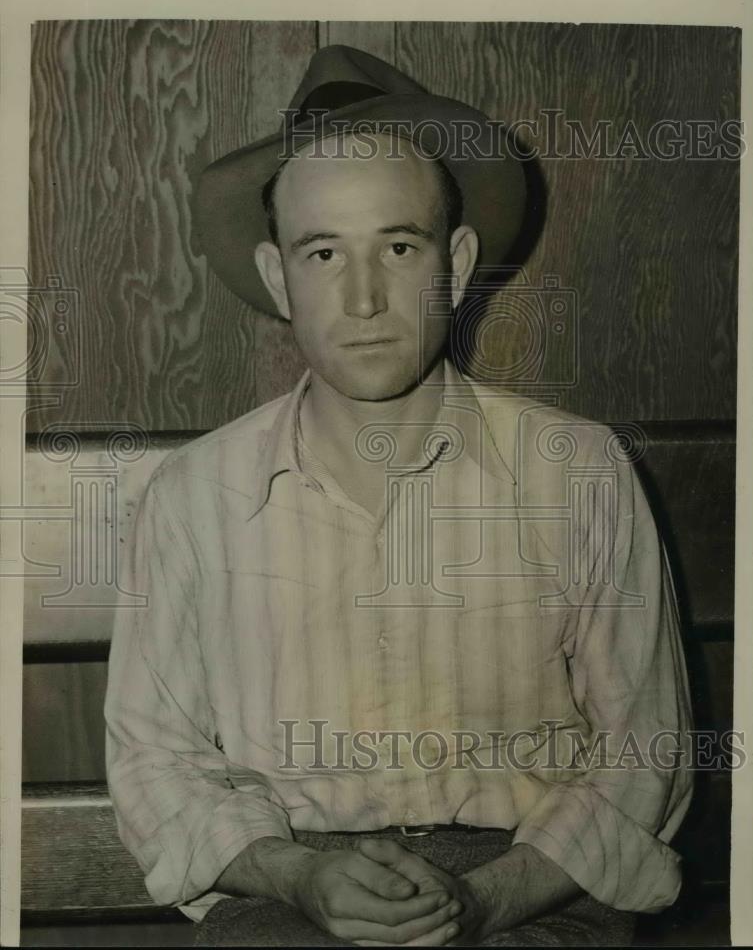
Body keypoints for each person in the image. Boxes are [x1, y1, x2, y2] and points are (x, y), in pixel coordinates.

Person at [105, 46, 694, 947]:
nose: (366, 296)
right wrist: (296, 874)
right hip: (289, 894)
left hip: (532, 890)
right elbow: (155, 761)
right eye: (324, 251)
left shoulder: (576, 470)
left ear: (454, 261)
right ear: (277, 277)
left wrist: (489, 899)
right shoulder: (194, 496)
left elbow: (644, 749)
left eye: (400, 245)